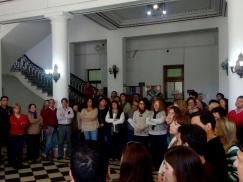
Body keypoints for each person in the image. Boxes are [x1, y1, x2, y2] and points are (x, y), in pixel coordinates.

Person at [191, 112, 228, 182]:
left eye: (195, 126)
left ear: (208, 126)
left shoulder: (216, 146)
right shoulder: (204, 142)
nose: (192, 130)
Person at [146, 98, 167, 170]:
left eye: (157, 104)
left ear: (160, 105)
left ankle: (160, 165)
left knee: (160, 151)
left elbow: (160, 121)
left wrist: (151, 120)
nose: (156, 105)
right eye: (155, 104)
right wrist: (155, 121)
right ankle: (154, 165)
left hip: (161, 134)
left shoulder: (163, 112)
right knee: (152, 150)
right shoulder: (150, 112)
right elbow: (147, 122)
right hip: (152, 133)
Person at [215, 117, 239, 181]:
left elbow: (236, 174)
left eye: (216, 127)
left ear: (224, 130)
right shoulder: (220, 144)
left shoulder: (233, 149)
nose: (214, 128)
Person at [9, 103, 29, 168]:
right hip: (14, 135)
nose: (17, 109)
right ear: (13, 109)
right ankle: (14, 163)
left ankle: (20, 163)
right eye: (15, 108)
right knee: (15, 149)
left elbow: (26, 124)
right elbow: (13, 126)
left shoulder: (23, 116)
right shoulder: (11, 117)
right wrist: (21, 124)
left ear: (19, 109)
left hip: (22, 135)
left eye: (18, 108)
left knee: (20, 149)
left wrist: (21, 124)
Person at [0, 96, 12, 163]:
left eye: (6, 100)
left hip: (9, 131)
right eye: (4, 100)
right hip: (0, 131)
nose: (5, 101)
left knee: (10, 146)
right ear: (1, 101)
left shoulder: (10, 109)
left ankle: (10, 160)